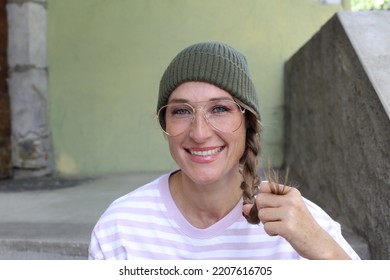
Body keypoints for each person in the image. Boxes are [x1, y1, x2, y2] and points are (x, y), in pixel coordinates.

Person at [88, 41, 360, 260]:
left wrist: (324, 252)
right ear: (165, 125)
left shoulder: (299, 223)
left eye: (219, 109)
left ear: (248, 123)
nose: (199, 133)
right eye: (181, 111)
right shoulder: (121, 226)